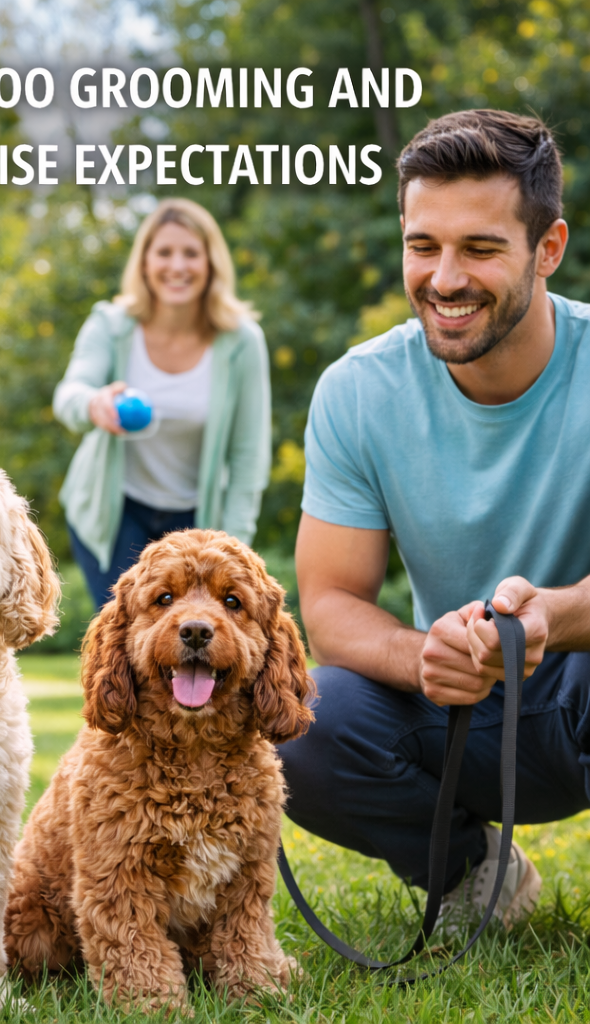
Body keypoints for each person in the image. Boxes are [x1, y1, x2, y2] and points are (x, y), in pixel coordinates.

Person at [280, 109, 590, 929]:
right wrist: (427, 657)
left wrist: (552, 617)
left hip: (582, 675)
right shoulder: (358, 391)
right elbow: (331, 608)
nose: (445, 278)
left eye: (481, 249)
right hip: (461, 708)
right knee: (303, 717)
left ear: (547, 249)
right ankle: (475, 876)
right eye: (424, 246)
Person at [54, 198, 271, 609]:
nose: (177, 265)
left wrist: (233, 545)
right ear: (144, 262)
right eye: (165, 252)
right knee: (124, 641)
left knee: (188, 641)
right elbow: (69, 394)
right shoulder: (111, 324)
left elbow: (249, 456)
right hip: (114, 512)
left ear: (210, 263)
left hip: (195, 520)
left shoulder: (242, 342)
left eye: (191, 253)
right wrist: (93, 404)